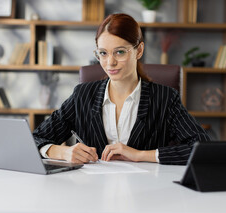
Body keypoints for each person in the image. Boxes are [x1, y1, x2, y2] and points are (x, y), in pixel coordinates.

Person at [33, 13, 210, 165]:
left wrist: (140, 155)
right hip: (91, 194)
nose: (110, 62)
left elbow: (202, 148)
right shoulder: (83, 95)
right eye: (103, 53)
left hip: (148, 194)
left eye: (120, 52)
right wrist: (62, 152)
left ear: (139, 50)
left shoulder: (165, 99)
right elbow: (34, 139)